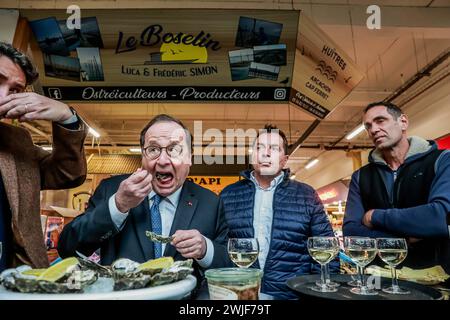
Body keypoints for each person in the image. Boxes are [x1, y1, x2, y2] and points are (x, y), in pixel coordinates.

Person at [58, 114, 230, 279]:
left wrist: (206, 249)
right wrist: (118, 205)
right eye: (153, 149)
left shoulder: (211, 203)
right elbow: (68, 248)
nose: (163, 160)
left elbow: (227, 267)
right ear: (143, 156)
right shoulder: (111, 189)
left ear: (189, 158)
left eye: (175, 149)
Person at [219, 124, 339, 300]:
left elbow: (327, 248)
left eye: (274, 148)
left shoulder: (306, 195)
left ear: (285, 159)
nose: (265, 153)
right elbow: (218, 246)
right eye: (259, 147)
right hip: (240, 294)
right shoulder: (228, 194)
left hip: (292, 294)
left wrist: (319, 294)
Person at [0, 42, 88, 271]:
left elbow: (67, 175)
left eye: (14, 90)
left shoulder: (16, 141)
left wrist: (66, 116)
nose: (3, 96)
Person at [343, 101, 450, 272]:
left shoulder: (442, 161)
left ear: (403, 122)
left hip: (435, 276)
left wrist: (374, 217)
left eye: (380, 121)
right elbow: (351, 232)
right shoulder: (361, 176)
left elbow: (440, 218)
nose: (374, 130)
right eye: (368, 126)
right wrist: (403, 239)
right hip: (380, 279)